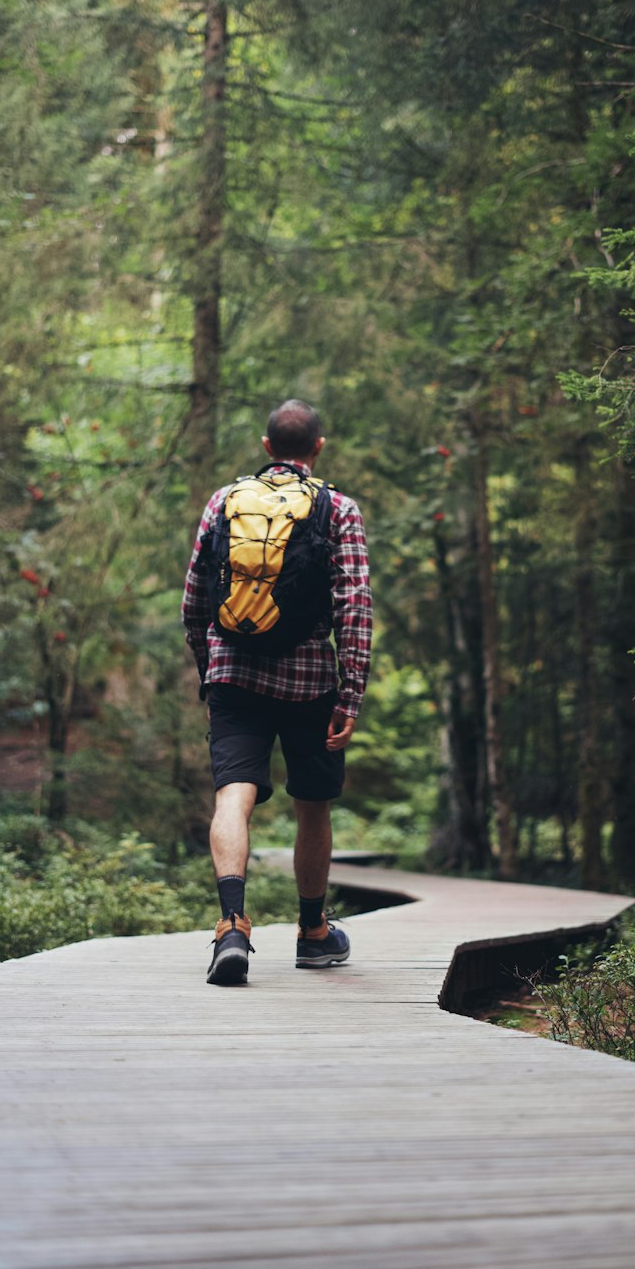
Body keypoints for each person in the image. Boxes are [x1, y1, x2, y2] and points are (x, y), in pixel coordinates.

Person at [182, 399, 372, 985]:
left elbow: (194, 598)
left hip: (233, 675)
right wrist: (350, 695)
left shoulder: (225, 500)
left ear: (266, 448)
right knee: (311, 805)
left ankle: (232, 926)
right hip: (311, 681)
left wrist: (205, 668)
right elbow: (354, 606)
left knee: (232, 797)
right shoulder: (336, 507)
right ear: (318, 447)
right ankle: (313, 933)